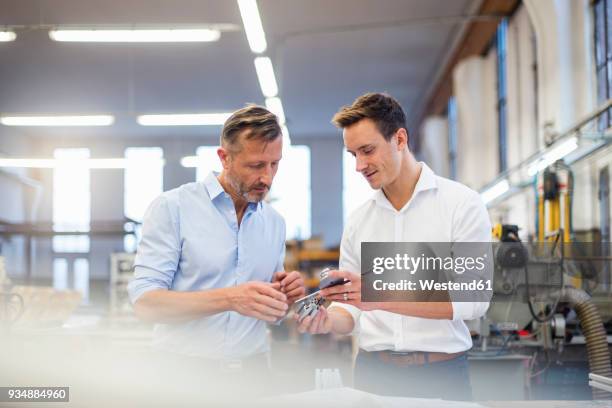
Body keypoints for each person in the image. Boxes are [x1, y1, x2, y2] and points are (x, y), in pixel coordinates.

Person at [296, 93, 491, 400]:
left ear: (400, 139)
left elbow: (473, 298)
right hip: (374, 375)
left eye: (368, 150)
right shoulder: (360, 221)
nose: (360, 165)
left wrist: (377, 295)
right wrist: (327, 321)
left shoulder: (461, 205)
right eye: (353, 155)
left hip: (441, 375)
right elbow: (351, 306)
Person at [128, 105, 305, 368]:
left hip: (253, 371)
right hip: (182, 372)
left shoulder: (274, 222)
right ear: (225, 158)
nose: (266, 177)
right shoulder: (173, 208)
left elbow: (272, 314)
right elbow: (145, 304)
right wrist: (231, 299)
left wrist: (286, 299)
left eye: (274, 164)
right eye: (256, 165)